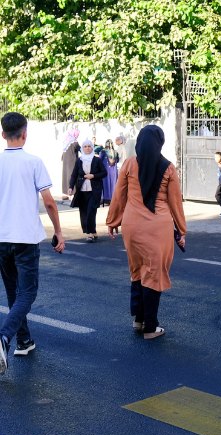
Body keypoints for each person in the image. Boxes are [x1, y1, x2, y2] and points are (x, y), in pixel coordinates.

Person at [106, 125, 187, 340]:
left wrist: (113, 221)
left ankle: (139, 319)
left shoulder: (129, 164)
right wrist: (181, 229)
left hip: (132, 226)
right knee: (154, 273)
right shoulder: (168, 167)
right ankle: (151, 327)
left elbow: (118, 195)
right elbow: (175, 202)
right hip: (158, 227)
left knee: (138, 270)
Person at [0, 112, 65, 374]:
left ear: (3, 134)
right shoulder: (34, 162)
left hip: (1, 238)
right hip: (25, 238)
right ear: (25, 134)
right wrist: (58, 231)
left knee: (14, 292)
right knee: (27, 293)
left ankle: (23, 341)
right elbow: (49, 201)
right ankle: (4, 338)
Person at [68, 139, 107, 242]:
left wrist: (93, 176)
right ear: (82, 148)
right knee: (84, 212)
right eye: (85, 146)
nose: (87, 148)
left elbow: (104, 173)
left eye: (89, 146)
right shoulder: (79, 160)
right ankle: (92, 231)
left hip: (94, 190)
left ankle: (90, 234)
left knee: (91, 211)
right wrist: (70, 187)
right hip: (82, 190)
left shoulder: (97, 160)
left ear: (92, 148)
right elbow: (74, 174)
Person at [61, 128, 80, 201]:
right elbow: (80, 149)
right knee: (73, 176)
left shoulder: (66, 141)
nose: (77, 136)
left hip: (66, 162)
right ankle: (72, 194)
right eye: (77, 134)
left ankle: (65, 193)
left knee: (66, 176)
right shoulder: (74, 142)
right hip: (72, 162)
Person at [100, 139, 119, 208]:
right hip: (114, 171)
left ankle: (106, 201)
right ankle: (113, 200)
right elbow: (118, 160)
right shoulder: (115, 152)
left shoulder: (103, 152)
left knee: (106, 185)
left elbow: (100, 160)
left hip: (105, 170)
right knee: (113, 184)